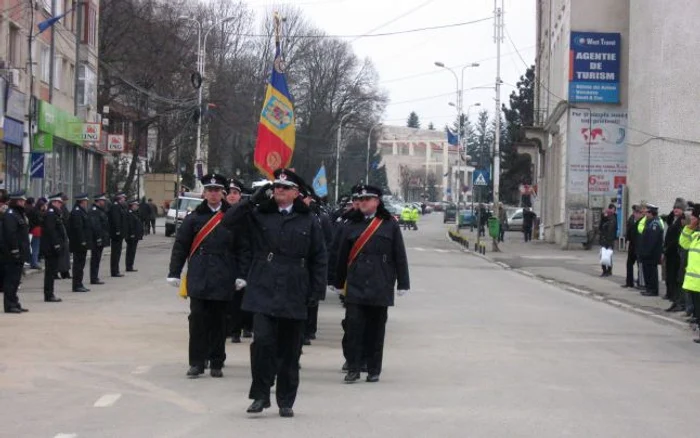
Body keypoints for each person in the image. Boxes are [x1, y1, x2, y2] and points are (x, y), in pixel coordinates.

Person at [223, 168, 326, 418]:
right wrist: (251, 199)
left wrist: (316, 291)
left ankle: (286, 399)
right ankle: (260, 395)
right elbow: (228, 222)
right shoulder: (260, 214)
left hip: (294, 286)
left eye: (284, 187)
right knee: (262, 344)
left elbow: (319, 257)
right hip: (264, 285)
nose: (278, 191)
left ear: (296, 193)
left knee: (290, 349)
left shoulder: (308, 220)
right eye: (276, 187)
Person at [168, 173, 251, 379]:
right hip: (199, 274)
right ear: (204, 193)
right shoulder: (194, 218)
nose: (213, 194)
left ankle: (216, 361)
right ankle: (196, 362)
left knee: (219, 321)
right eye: (209, 190)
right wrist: (174, 272)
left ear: (222, 193)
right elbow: (181, 247)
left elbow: (243, 248)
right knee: (197, 320)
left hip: (224, 274)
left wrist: (242, 274)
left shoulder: (232, 217)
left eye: (216, 190)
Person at [333, 184, 410, 384]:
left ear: (377, 202)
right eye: (362, 199)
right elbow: (341, 256)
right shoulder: (351, 224)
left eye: (368, 199)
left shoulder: (389, 224)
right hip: (356, 284)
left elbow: (399, 255)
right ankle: (353, 367)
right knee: (353, 328)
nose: (364, 202)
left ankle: (374, 368)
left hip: (380, 283)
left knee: (376, 330)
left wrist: (403, 283)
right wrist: (337, 281)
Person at [225, 178, 253, 343]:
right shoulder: (219, 213)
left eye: (235, 193)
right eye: (228, 192)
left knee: (241, 297)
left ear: (240, 196)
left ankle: (242, 327)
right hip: (223, 261)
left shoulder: (245, 214)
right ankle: (230, 327)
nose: (231, 196)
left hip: (241, 260)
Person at [3, 190, 31, 313]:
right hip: (11, 253)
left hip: (20, 252)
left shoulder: (18, 214)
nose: (23, 203)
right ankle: (9, 305)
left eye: (23, 201)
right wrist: (14, 250)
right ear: (16, 201)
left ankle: (15, 302)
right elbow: (10, 234)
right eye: (21, 201)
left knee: (16, 280)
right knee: (10, 280)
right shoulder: (10, 214)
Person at [678, 204, 700, 342]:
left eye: (693, 218)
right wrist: (689, 227)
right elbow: (683, 242)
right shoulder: (696, 235)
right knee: (697, 310)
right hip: (694, 282)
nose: (691, 219)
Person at [41, 193, 66, 303]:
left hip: (53, 247)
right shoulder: (51, 214)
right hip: (51, 248)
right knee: (50, 272)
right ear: (54, 202)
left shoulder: (55, 213)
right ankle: (49, 294)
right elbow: (51, 232)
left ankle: (50, 293)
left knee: (51, 271)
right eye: (59, 202)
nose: (60, 204)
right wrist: (56, 245)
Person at [664, 198, 686, 311]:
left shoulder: (682, 222)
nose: (676, 210)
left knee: (676, 279)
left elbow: (678, 239)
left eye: (678, 208)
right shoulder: (672, 219)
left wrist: (667, 248)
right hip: (670, 254)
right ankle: (674, 300)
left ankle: (677, 302)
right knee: (670, 278)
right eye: (674, 208)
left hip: (676, 254)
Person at [68, 193, 93, 292]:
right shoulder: (77, 212)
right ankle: (77, 285)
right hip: (78, 243)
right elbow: (78, 229)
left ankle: (79, 283)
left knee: (81, 264)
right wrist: (82, 241)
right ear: (82, 202)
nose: (86, 203)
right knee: (78, 265)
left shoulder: (81, 211)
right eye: (85, 201)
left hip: (81, 243)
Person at [640, 204, 664, 296]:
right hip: (647, 252)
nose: (645, 214)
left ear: (651, 213)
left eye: (647, 212)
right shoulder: (649, 222)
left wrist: (646, 252)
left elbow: (652, 241)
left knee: (652, 272)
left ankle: (653, 290)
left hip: (652, 253)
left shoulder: (655, 223)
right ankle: (648, 288)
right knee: (647, 271)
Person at [88, 194, 110, 285]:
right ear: (98, 201)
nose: (104, 202)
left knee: (97, 258)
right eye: (102, 201)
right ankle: (93, 278)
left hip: (100, 238)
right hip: (96, 239)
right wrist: (98, 238)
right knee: (95, 258)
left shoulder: (100, 210)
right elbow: (95, 226)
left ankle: (95, 277)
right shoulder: (94, 211)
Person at [622, 205, 643, 288]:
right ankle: (629, 282)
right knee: (629, 264)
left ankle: (639, 282)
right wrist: (627, 240)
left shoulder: (642, 221)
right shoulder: (631, 220)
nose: (636, 214)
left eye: (638, 213)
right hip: (632, 245)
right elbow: (628, 231)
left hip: (639, 246)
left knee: (639, 265)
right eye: (635, 213)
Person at [109, 193, 128, 277]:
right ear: (120, 198)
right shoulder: (115, 207)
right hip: (116, 234)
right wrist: (118, 231)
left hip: (119, 233)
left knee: (118, 252)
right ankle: (114, 271)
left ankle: (116, 270)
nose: (124, 200)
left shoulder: (119, 206)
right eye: (123, 198)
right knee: (115, 253)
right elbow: (116, 220)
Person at [598, 204, 617, 277]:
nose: (613, 211)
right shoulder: (605, 216)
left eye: (614, 210)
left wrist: (613, 238)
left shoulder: (614, 217)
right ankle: (604, 271)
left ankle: (609, 271)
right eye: (613, 209)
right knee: (603, 255)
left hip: (610, 239)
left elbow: (614, 229)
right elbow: (601, 226)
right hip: (604, 238)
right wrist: (604, 215)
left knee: (608, 255)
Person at [125, 198, 144, 272]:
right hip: (131, 236)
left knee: (132, 251)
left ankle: (130, 265)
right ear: (132, 205)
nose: (137, 207)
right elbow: (130, 225)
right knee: (130, 251)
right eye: (136, 205)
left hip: (135, 236)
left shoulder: (135, 213)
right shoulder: (129, 213)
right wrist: (132, 234)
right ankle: (129, 266)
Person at [27, 197, 46, 270]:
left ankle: (32, 261)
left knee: (32, 247)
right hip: (37, 230)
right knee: (35, 247)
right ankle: (34, 263)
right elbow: (40, 221)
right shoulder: (38, 212)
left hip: (32, 230)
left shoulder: (32, 210)